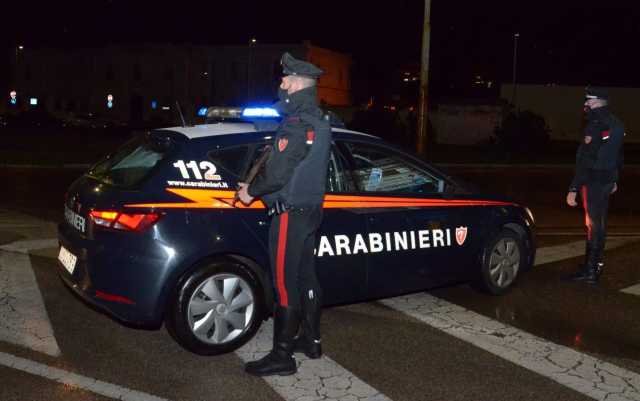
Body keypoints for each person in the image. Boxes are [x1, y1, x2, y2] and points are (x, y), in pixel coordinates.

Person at [236, 52, 331, 376]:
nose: (281, 82)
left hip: (290, 213)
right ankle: (312, 341)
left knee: (284, 284)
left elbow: (277, 173)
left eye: (284, 78)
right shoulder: (319, 119)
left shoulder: (296, 123)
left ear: (296, 83)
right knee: (306, 277)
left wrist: (250, 192)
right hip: (311, 210)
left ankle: (282, 356)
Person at [565, 86, 624, 284]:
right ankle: (595, 265)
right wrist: (615, 179)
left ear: (598, 102)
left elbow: (586, 159)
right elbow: (617, 155)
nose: (585, 104)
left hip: (593, 181)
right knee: (600, 224)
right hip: (607, 180)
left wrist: (573, 188)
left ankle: (590, 271)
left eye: (589, 101)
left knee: (592, 225)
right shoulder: (616, 122)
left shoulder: (595, 124)